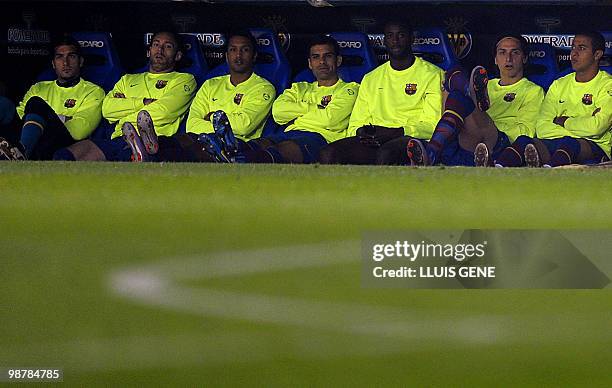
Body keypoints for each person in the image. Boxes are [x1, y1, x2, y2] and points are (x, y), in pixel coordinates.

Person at [208, 35, 358, 164]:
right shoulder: (300, 87)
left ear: (338, 61)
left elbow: (330, 119)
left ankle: (242, 160)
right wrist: (315, 108)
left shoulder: (350, 89)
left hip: (321, 139)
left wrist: (296, 116)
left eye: (328, 56)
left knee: (286, 147)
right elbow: (278, 112)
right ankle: (227, 150)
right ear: (309, 63)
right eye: (316, 57)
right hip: (290, 132)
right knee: (262, 142)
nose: (322, 62)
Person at [54, 31, 196, 161]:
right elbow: (107, 109)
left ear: (177, 55)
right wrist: (143, 102)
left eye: (168, 46)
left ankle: (142, 148)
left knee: (130, 155)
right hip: (118, 137)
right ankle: (138, 148)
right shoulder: (127, 80)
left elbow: (164, 112)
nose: (160, 50)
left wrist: (124, 113)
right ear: (148, 52)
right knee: (65, 155)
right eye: (156, 45)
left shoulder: (184, 80)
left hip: (156, 138)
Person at [406, 34, 545, 167]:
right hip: (467, 143)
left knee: (460, 94)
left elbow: (526, 131)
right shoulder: (485, 85)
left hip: (499, 143)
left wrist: (490, 124)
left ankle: (432, 151)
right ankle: (467, 92)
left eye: (515, 53)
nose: (508, 58)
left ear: (525, 58)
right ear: (495, 59)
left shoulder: (533, 90)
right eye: (502, 52)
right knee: (453, 82)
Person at [318, 20, 444, 165]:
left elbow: (432, 126)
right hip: (374, 139)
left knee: (386, 154)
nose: (395, 41)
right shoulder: (371, 78)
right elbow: (355, 124)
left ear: (412, 39)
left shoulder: (433, 75)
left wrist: (394, 132)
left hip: (408, 137)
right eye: (390, 36)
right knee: (328, 154)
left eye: (401, 35)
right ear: (384, 40)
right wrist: (364, 132)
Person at [494, 31, 612, 167]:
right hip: (556, 141)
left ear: (597, 54)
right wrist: (581, 125)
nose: (574, 53)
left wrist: (564, 121)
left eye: (582, 48)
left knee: (569, 143)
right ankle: (494, 170)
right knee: (523, 141)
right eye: (573, 47)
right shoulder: (559, 84)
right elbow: (542, 126)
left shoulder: (607, 85)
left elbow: (597, 127)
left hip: (595, 146)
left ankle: (549, 176)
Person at [171, 29, 276, 163]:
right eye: (233, 50)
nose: (238, 55)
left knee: (193, 149)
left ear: (254, 56)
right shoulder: (210, 84)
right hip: (201, 138)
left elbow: (244, 125)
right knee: (179, 141)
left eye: (245, 50)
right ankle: (148, 148)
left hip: (237, 146)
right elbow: (191, 125)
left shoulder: (263, 88)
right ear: (226, 56)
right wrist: (219, 124)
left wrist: (210, 117)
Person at [0, 35, 104, 160]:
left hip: (60, 142)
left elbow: (79, 131)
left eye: (71, 56)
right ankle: (18, 150)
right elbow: (21, 115)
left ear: (80, 61)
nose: (65, 63)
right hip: (29, 136)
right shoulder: (39, 88)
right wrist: (63, 117)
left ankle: (22, 153)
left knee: (36, 104)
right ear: (53, 63)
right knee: (4, 104)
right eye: (59, 57)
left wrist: (42, 118)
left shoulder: (93, 91)